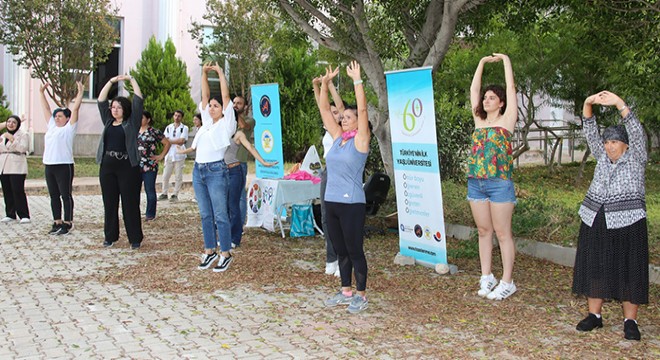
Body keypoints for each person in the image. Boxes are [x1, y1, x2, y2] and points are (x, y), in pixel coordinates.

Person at [572, 91, 648, 341]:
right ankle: (595, 316)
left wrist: (618, 104)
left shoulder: (636, 157)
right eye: (607, 142)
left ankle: (630, 321)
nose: (609, 146)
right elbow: (590, 132)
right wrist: (587, 104)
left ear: (625, 144)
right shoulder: (602, 157)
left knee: (629, 269)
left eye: (614, 142)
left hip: (629, 221)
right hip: (596, 217)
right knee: (596, 267)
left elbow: (636, 130)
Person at [319, 62, 371, 314]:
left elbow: (362, 108)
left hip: (352, 204)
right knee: (340, 250)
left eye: (348, 117)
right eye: (343, 117)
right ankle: (345, 290)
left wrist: (357, 80)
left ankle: (361, 295)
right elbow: (324, 111)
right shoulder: (338, 139)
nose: (344, 119)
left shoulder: (360, 141)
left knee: (354, 250)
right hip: (332, 201)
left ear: (358, 122)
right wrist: (325, 85)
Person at [468, 53, 518, 300]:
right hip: (476, 183)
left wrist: (506, 61)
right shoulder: (479, 121)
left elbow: (511, 86)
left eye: (491, 98)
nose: (486, 100)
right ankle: (487, 276)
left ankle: (508, 281)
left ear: (501, 103)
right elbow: (474, 89)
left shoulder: (507, 121)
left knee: (502, 232)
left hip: (499, 184)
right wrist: (481, 64)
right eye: (485, 97)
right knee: (484, 230)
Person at [190, 62, 237, 272]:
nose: (211, 108)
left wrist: (219, 73)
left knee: (220, 214)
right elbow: (205, 95)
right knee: (205, 214)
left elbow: (226, 98)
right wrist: (203, 74)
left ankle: (225, 253)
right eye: (211, 106)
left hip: (216, 171)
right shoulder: (207, 121)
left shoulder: (227, 123)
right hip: (198, 170)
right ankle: (210, 251)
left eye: (216, 106)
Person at [96, 74, 144, 249]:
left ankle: (135, 239)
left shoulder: (132, 123)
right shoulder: (108, 122)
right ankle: (110, 237)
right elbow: (101, 101)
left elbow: (138, 99)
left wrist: (131, 80)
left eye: (118, 107)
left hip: (127, 167)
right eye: (113, 107)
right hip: (107, 167)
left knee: (130, 203)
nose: (114, 110)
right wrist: (111, 81)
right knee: (109, 203)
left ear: (125, 109)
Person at [225, 114, 278, 248]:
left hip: (235, 171)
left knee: (234, 205)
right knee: (224, 206)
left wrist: (263, 162)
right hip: (221, 172)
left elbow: (250, 147)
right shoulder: (221, 131)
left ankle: (235, 238)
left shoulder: (239, 134)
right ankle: (226, 236)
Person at [38, 81, 84, 234]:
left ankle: (67, 222)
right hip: (49, 165)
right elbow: (45, 108)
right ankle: (56, 221)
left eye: (60, 116)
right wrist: (41, 93)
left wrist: (80, 93)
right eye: (55, 116)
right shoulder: (51, 126)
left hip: (64, 165)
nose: (57, 118)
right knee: (53, 195)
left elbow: (76, 108)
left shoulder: (69, 129)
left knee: (65, 194)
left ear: (67, 118)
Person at [313, 75, 343, 277]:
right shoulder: (327, 129)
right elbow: (321, 106)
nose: (332, 114)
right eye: (329, 112)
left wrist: (330, 85)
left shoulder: (342, 130)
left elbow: (339, 108)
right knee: (325, 217)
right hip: (327, 172)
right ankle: (331, 258)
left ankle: (342, 259)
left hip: (342, 174)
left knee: (339, 218)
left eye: (335, 113)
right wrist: (317, 85)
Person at [138, 111, 171, 221]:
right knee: (133, 191)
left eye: (142, 117)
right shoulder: (134, 130)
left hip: (150, 165)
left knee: (150, 190)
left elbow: (167, 143)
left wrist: (161, 155)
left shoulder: (154, 132)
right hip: (135, 165)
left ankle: (150, 214)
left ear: (148, 120)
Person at [0, 115, 30, 223]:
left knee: (17, 190)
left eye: (13, 122)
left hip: (17, 166)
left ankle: (24, 215)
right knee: (7, 190)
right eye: (9, 122)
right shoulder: (4, 135)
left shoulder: (23, 135)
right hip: (4, 166)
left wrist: (12, 140)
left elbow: (23, 148)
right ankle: (10, 214)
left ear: (18, 124)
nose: (11, 124)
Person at [232, 96, 254, 228]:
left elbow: (243, 125)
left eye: (239, 103)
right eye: (234, 103)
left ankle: (239, 226)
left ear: (245, 107)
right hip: (226, 162)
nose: (235, 105)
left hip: (240, 163)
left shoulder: (250, 120)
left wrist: (234, 114)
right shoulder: (229, 120)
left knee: (240, 195)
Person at [159, 110, 188, 202]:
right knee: (165, 175)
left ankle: (175, 194)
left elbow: (182, 140)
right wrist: (175, 141)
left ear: (181, 117)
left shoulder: (184, 128)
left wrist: (170, 141)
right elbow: (165, 140)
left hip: (179, 154)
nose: (176, 117)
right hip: (169, 154)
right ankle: (164, 193)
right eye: (175, 115)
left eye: (178, 116)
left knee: (178, 175)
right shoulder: (169, 127)